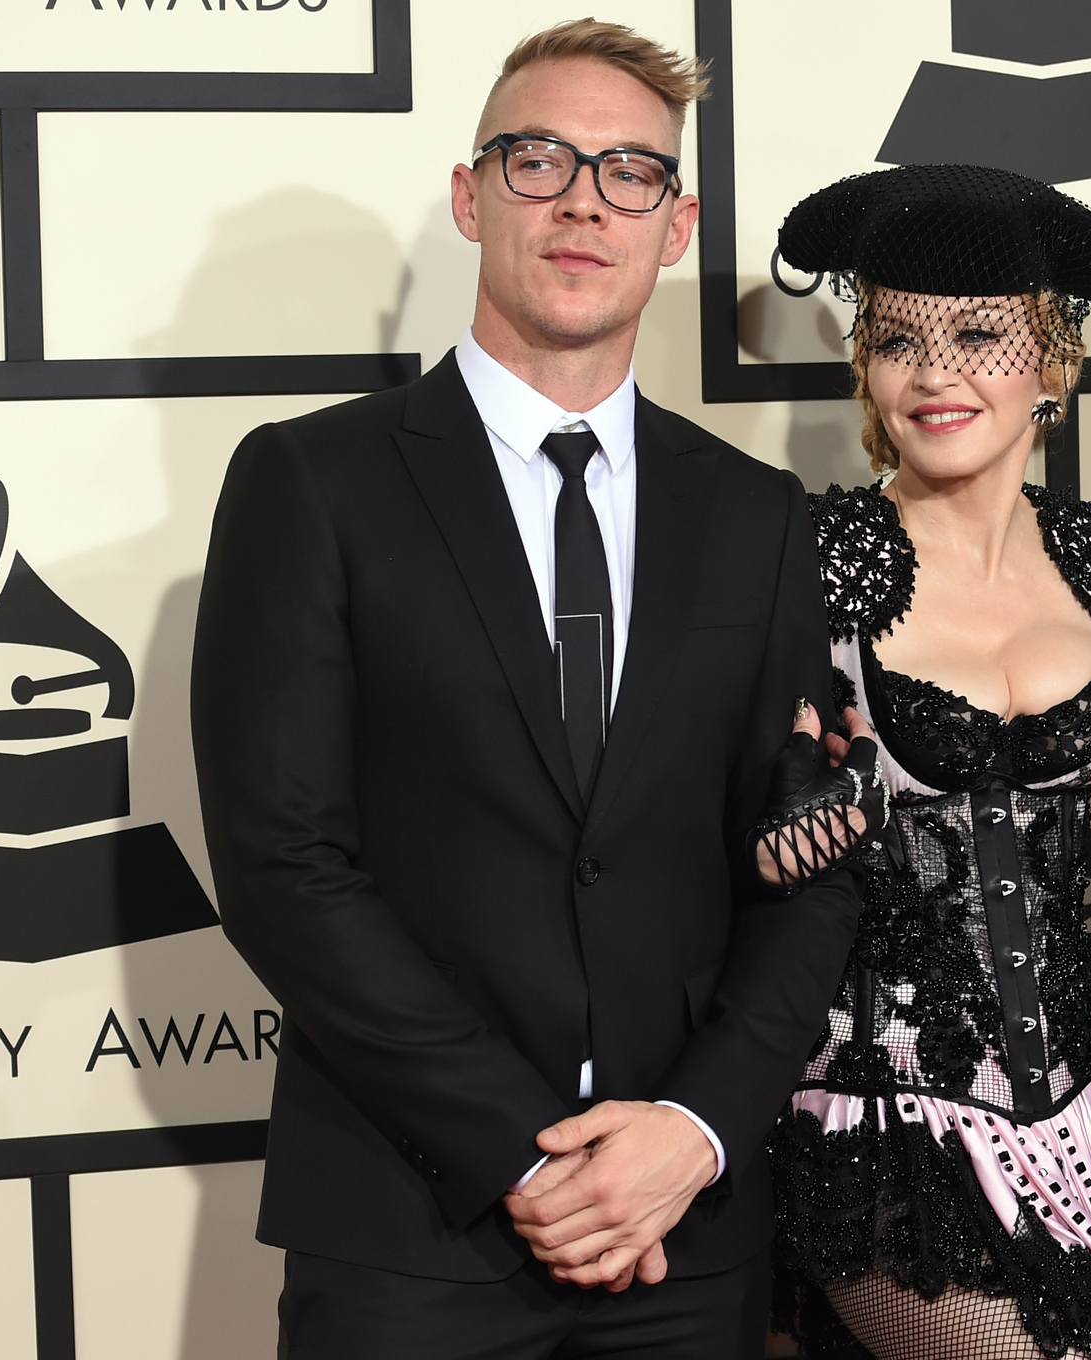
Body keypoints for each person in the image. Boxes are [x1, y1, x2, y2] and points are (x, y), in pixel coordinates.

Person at [189, 21, 872, 1358]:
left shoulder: (757, 517)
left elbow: (816, 862)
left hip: (687, 1230)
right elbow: (284, 862)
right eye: (540, 157)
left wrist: (691, 1131)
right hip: (408, 1227)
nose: (581, 201)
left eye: (630, 173)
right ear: (470, 194)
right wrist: (526, 1157)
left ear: (673, 228)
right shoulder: (314, 483)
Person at [759, 165, 1091, 1360]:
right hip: (864, 1115)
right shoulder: (804, 558)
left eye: (980, 335)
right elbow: (719, 807)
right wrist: (769, 822)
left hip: (1082, 1113)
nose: (933, 371)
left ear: (1051, 360)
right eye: (895, 339)